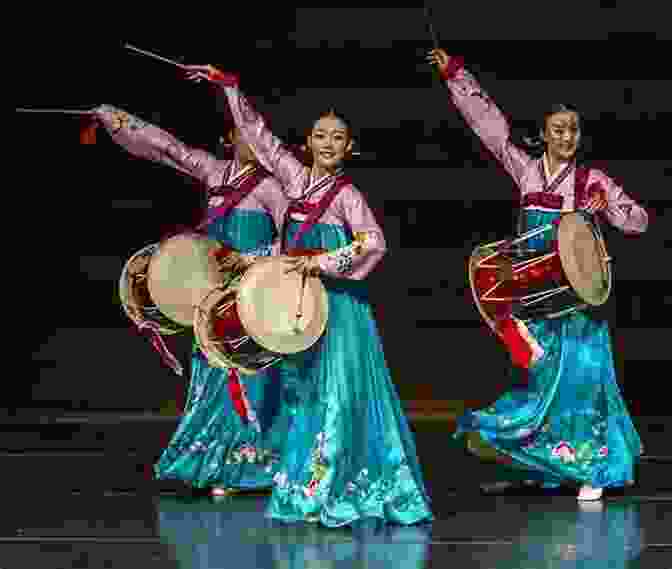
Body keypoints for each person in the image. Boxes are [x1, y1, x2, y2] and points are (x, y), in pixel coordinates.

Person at [180, 64, 433, 526]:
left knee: (339, 395)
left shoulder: (348, 195)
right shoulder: (293, 181)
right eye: (321, 136)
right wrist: (231, 87)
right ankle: (309, 484)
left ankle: (336, 487)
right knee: (304, 395)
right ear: (308, 143)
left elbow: (373, 242)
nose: (329, 144)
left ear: (349, 148)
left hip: (340, 310)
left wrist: (318, 262)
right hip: (298, 308)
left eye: (338, 138)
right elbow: (259, 136)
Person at [427, 49, 648, 501]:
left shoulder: (591, 179)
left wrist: (612, 208)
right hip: (534, 299)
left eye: (574, 130)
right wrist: (455, 75)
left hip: (577, 303)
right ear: (543, 134)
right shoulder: (526, 169)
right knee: (543, 386)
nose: (567, 137)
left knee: (582, 386)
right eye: (558, 130)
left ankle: (591, 469)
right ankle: (551, 464)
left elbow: (640, 220)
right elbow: (487, 125)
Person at [93, 104, 290, 497]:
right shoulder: (213, 171)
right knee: (210, 377)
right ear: (229, 138)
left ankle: (248, 470)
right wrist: (120, 121)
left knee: (251, 380)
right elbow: (168, 148)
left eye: (256, 132)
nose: (249, 139)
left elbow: (291, 242)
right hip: (211, 298)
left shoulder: (272, 187)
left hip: (252, 298)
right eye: (241, 132)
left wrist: (249, 260)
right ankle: (206, 463)